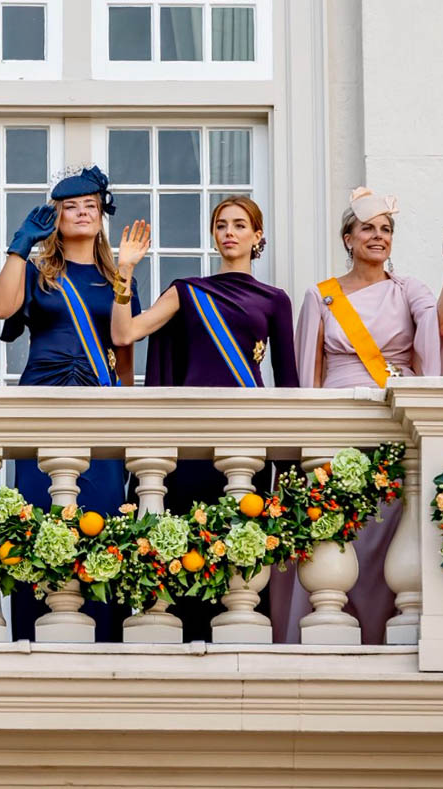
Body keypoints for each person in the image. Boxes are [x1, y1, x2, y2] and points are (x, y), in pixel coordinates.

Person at [285, 187, 443, 644]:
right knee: (336, 531)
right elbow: (309, 373)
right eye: (367, 228)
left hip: (392, 423)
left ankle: (386, 631)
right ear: (348, 239)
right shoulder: (322, 296)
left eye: (386, 229)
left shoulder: (408, 289)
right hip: (338, 424)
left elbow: (441, 328)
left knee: (391, 534)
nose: (378, 236)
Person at [110, 195, 298, 640]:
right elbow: (125, 332)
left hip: (246, 440)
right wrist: (125, 272)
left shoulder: (275, 300)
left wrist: (289, 463)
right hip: (189, 441)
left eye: (239, 224)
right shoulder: (187, 291)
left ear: (257, 236)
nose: (229, 232)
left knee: (239, 552)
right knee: (183, 549)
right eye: (221, 225)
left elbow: (289, 382)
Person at [0, 165, 139, 641]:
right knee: (37, 517)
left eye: (90, 205)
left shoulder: (118, 278)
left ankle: (104, 640)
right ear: (55, 216)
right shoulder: (38, 273)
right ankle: (33, 638)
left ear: (102, 215)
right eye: (70, 207)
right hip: (43, 400)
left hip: (100, 402)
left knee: (103, 518)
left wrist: (127, 415)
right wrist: (20, 247)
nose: (81, 213)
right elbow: (0, 308)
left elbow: (125, 351)